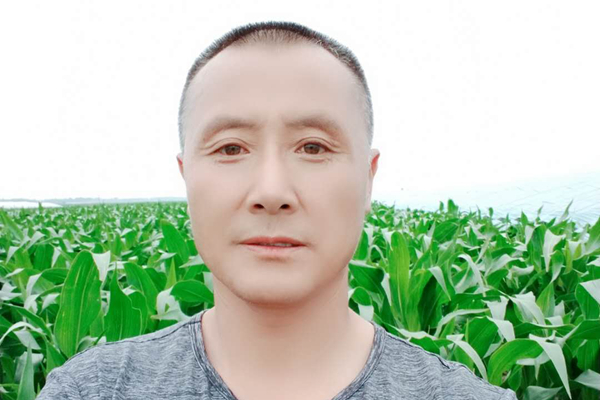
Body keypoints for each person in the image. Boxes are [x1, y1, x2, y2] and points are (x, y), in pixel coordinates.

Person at [37, 21, 517, 400]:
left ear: (368, 179)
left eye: (313, 147)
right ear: (186, 176)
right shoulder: (89, 390)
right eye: (230, 148)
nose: (271, 191)